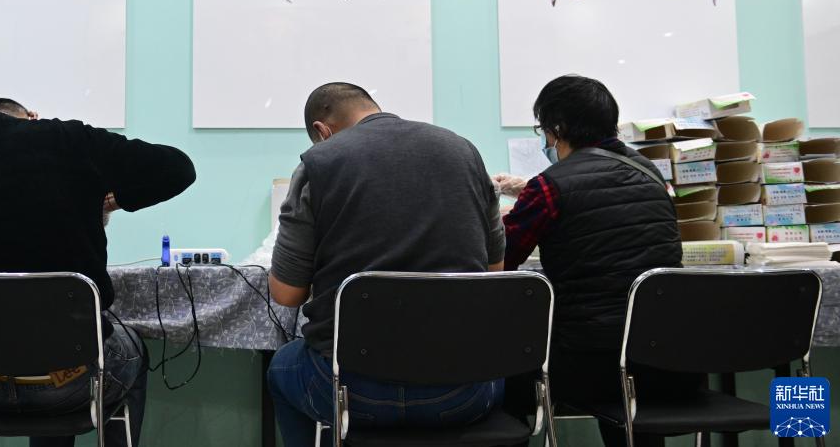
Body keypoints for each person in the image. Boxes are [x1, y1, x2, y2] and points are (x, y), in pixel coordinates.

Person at [0, 98, 196, 447]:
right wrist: (115, 199)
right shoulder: (68, 139)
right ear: (33, 118)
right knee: (124, 349)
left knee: (55, 346)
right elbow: (179, 168)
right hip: (70, 382)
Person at [266, 83, 506, 447]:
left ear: (322, 131)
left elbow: (286, 294)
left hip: (351, 393)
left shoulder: (319, 163)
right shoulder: (464, 151)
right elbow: (494, 273)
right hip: (461, 393)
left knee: (281, 369)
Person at [496, 76, 700, 447]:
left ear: (557, 129)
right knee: (626, 382)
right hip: (667, 360)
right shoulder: (650, 173)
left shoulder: (549, 186)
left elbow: (500, 261)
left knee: (500, 374)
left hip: (590, 366)